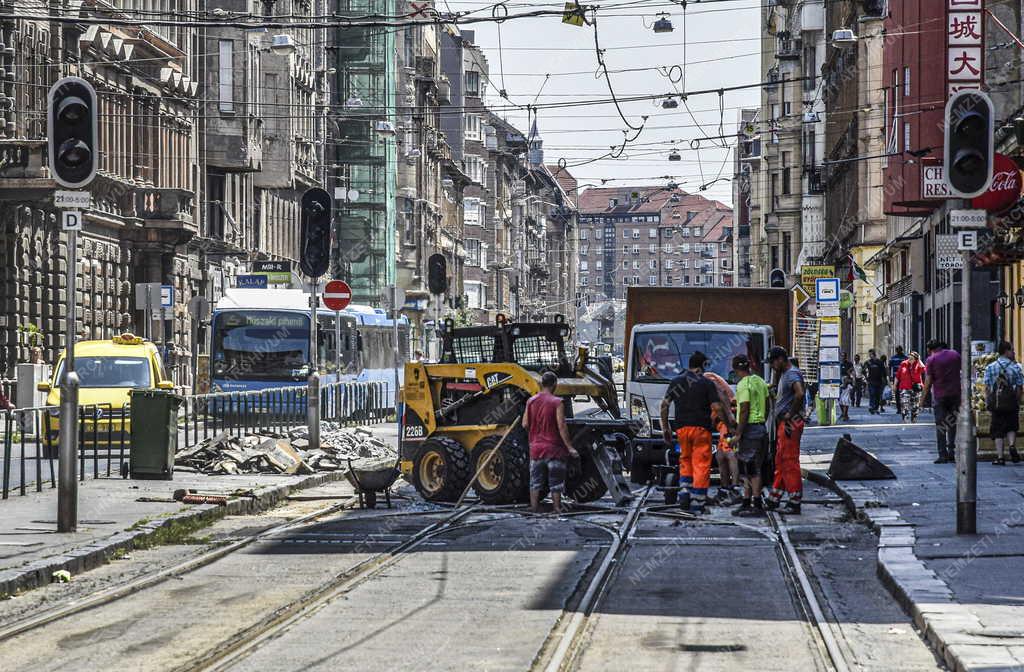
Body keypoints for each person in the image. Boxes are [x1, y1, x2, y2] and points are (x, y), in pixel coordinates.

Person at [660, 351, 724, 514]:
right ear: (702, 366)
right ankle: (698, 502)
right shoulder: (707, 384)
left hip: (681, 429)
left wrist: (666, 428)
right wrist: (725, 423)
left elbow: (664, 405)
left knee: (685, 460)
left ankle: (684, 494)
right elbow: (717, 407)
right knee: (701, 464)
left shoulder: (676, 381)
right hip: (701, 430)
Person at [522, 371, 579, 514]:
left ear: (542, 383)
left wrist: (535, 434)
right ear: (555, 384)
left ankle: (534, 507)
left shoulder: (531, 401)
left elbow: (524, 424)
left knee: (535, 481)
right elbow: (561, 426)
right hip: (554, 449)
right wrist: (570, 447)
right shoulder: (557, 402)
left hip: (536, 449)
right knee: (556, 482)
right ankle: (556, 508)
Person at [730, 355, 771, 517]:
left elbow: (745, 408)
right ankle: (746, 502)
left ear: (735, 369)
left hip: (749, 431)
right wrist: (762, 421)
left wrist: (738, 434)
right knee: (749, 469)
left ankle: (756, 504)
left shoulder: (742, 385)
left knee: (752, 470)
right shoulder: (760, 382)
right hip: (760, 428)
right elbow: (768, 404)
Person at [766, 346, 805, 514]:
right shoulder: (784, 374)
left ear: (781, 360)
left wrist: (790, 414)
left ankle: (794, 501)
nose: (772, 366)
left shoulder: (791, 374)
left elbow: (799, 394)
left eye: (773, 363)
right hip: (786, 423)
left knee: (789, 461)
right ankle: (775, 497)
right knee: (781, 460)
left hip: (790, 424)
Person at [920, 340, 961, 464]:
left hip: (940, 396)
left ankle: (942, 454)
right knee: (952, 423)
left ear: (929, 349)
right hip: (955, 394)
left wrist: (922, 400)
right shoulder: (955, 355)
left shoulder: (931, 359)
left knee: (941, 426)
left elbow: (928, 382)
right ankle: (952, 452)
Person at [984, 341, 1023, 466]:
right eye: (1012, 350)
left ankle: (1000, 457)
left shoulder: (991, 367)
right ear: (1006, 351)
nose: (1014, 352)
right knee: (1011, 426)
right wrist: (1017, 400)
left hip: (996, 403)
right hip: (1011, 403)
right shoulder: (1016, 367)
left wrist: (988, 401)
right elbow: (1019, 387)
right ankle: (1011, 445)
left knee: (997, 430)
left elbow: (987, 388)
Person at [704, 369, 739, 505]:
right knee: (720, 455)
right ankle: (725, 488)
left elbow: (723, 397)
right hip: (723, 421)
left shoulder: (708, 379)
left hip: (726, 421)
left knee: (729, 453)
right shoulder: (709, 378)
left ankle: (734, 489)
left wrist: (729, 421)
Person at [895, 352, 925, 423]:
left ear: (915, 359)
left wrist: (919, 360)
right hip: (904, 387)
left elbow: (924, 369)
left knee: (915, 405)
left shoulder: (918, 365)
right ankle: (905, 418)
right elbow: (898, 375)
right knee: (904, 403)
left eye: (911, 358)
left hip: (916, 388)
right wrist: (895, 385)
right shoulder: (903, 364)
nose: (909, 360)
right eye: (909, 358)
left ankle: (914, 418)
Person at [863, 349, 888, 414]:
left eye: (871, 354)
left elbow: (884, 372)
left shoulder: (879, 362)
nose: (870, 355)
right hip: (871, 381)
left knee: (877, 395)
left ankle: (876, 408)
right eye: (869, 354)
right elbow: (863, 370)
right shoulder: (868, 362)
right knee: (872, 393)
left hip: (879, 381)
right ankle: (871, 406)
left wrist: (885, 380)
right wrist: (866, 378)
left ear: (873, 354)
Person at [890, 347, 908, 416]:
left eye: (899, 350)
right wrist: (890, 377)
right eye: (897, 350)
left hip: (904, 378)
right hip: (896, 378)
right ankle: (899, 409)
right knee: (897, 393)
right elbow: (890, 367)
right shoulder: (893, 358)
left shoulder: (905, 358)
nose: (898, 351)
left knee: (903, 393)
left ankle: (903, 408)